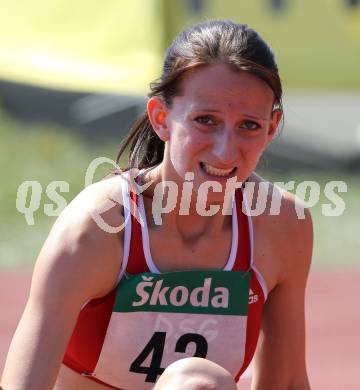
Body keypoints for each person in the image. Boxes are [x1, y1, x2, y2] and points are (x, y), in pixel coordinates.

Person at [1, 20, 313, 390]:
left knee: (199, 383)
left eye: (248, 125)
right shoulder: (96, 229)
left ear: (271, 127)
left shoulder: (281, 225)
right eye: (205, 120)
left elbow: (287, 381)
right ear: (161, 118)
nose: (226, 150)